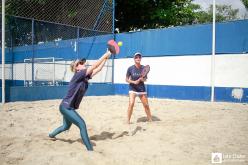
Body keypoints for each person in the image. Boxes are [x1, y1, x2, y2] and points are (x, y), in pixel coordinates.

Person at [48, 50, 112, 151]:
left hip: (67, 107)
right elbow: (94, 65)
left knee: (65, 126)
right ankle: (90, 150)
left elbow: (98, 69)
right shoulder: (78, 75)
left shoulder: (84, 76)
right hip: (66, 107)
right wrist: (106, 54)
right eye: (80, 63)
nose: (83, 64)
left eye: (82, 62)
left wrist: (106, 58)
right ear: (76, 68)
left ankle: (51, 134)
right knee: (82, 124)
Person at [126, 52, 152, 124]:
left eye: (139, 57)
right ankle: (128, 120)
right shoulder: (130, 68)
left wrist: (142, 79)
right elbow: (126, 79)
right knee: (131, 103)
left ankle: (150, 119)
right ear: (134, 59)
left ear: (141, 58)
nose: (138, 58)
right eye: (136, 57)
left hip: (141, 89)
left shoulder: (144, 68)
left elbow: (145, 79)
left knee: (146, 105)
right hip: (133, 88)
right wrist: (133, 82)